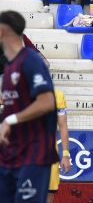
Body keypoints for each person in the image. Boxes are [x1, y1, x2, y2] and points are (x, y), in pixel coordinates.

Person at [0, 11, 59, 203]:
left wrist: (10, 120)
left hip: (32, 154)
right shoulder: (9, 68)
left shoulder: (30, 61)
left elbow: (47, 101)